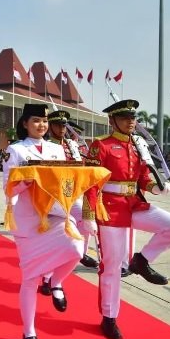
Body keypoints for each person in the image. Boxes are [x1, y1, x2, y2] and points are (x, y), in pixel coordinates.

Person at [82, 99, 170, 339]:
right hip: (109, 209)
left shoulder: (138, 145)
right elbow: (90, 182)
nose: (131, 122)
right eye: (125, 118)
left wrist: (156, 187)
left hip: (134, 204)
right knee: (112, 266)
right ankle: (109, 317)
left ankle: (141, 260)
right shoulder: (102, 145)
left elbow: (143, 177)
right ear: (113, 120)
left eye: (133, 118)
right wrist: (88, 214)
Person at [5, 104, 84, 339]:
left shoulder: (56, 149)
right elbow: (9, 186)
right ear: (25, 123)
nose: (42, 125)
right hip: (28, 219)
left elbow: (64, 180)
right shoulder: (15, 150)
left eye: (45, 121)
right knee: (29, 279)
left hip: (56, 214)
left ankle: (56, 281)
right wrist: (25, 182)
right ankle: (29, 332)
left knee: (77, 249)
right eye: (36, 120)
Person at [47, 110, 98, 269]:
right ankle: (50, 266)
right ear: (50, 126)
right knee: (54, 231)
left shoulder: (72, 145)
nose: (62, 128)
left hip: (73, 191)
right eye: (58, 125)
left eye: (64, 125)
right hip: (52, 194)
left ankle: (81, 253)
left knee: (86, 220)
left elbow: (82, 165)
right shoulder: (45, 145)